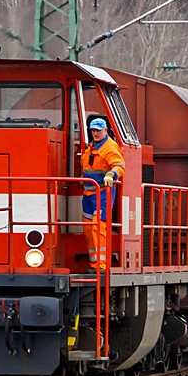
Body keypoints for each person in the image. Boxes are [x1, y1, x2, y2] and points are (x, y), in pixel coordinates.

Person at [81, 117, 124, 273]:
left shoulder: (110, 148)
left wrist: (111, 174)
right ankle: (94, 264)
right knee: (88, 229)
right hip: (88, 194)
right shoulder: (92, 147)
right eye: (93, 130)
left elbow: (119, 166)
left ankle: (101, 266)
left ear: (106, 130)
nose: (95, 133)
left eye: (98, 130)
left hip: (102, 193)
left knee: (98, 227)